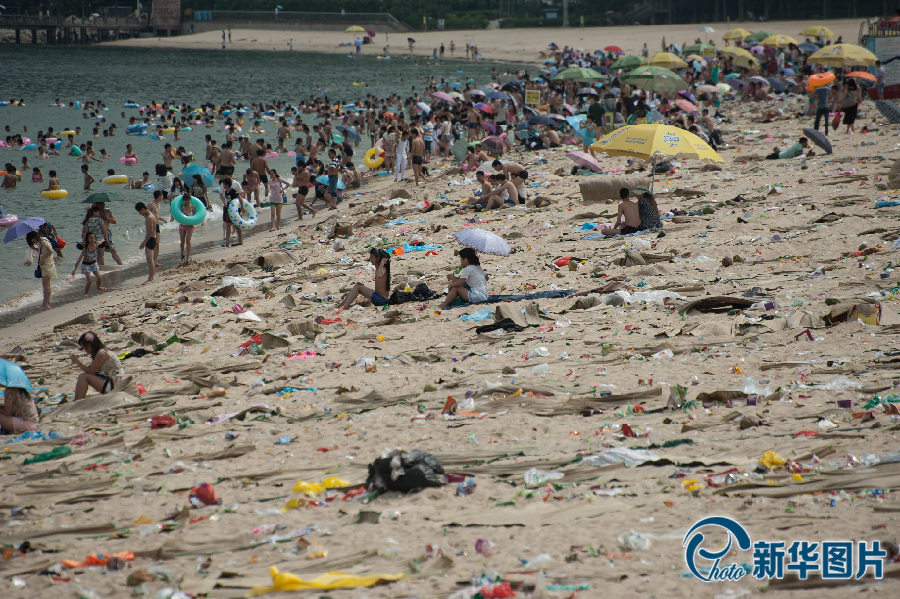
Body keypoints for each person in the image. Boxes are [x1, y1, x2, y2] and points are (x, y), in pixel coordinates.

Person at [70, 331, 125, 400]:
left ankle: (79, 400)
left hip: (114, 385)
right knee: (82, 376)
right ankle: (76, 399)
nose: (84, 349)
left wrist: (77, 362)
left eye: (84, 347)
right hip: (110, 381)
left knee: (84, 377)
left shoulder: (101, 353)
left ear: (90, 345)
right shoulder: (101, 352)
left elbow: (91, 371)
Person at [334, 248, 391, 313]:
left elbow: (379, 275)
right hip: (378, 297)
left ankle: (345, 306)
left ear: (378, 258)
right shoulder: (379, 268)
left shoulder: (383, 268)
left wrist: (382, 263)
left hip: (381, 300)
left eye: (372, 257)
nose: (370, 259)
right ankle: (341, 305)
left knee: (358, 287)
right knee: (357, 285)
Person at [25, 231, 56, 310]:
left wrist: (42, 258)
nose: (33, 242)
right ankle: (46, 303)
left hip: (47, 265)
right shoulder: (43, 240)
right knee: (46, 285)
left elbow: (50, 251)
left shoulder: (43, 241)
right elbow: (43, 251)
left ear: (34, 238)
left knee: (46, 285)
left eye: (33, 241)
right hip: (47, 264)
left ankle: (46, 304)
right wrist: (35, 248)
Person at [71, 231, 106, 296]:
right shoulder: (85, 248)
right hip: (85, 265)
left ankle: (98, 287)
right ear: (87, 239)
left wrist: (105, 238)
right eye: (90, 238)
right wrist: (74, 270)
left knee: (99, 277)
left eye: (93, 238)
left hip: (94, 263)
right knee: (89, 280)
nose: (92, 240)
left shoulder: (96, 244)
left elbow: (102, 241)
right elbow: (79, 259)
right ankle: (86, 293)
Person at [135, 202, 157, 284]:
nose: (140, 214)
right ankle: (150, 278)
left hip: (150, 239)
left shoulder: (150, 217)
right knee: (150, 260)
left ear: (143, 209)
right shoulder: (148, 216)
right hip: (150, 238)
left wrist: (144, 242)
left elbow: (150, 231)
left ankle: (151, 278)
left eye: (140, 212)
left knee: (150, 261)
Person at [220, 178, 244, 247]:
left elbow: (240, 198)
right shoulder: (225, 192)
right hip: (229, 210)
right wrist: (225, 204)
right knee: (228, 225)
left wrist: (242, 207)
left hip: (235, 210)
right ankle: (227, 242)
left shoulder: (233, 191)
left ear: (227, 185)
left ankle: (240, 240)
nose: (223, 185)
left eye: (224, 184)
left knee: (237, 225)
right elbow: (227, 200)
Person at [174, 192, 195, 261]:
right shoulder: (182, 207)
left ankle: (188, 255)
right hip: (182, 225)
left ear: (190, 199)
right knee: (182, 241)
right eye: (185, 200)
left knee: (188, 239)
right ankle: (182, 254)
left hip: (190, 225)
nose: (186, 201)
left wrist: (190, 216)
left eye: (187, 200)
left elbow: (195, 216)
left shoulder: (193, 207)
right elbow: (178, 215)